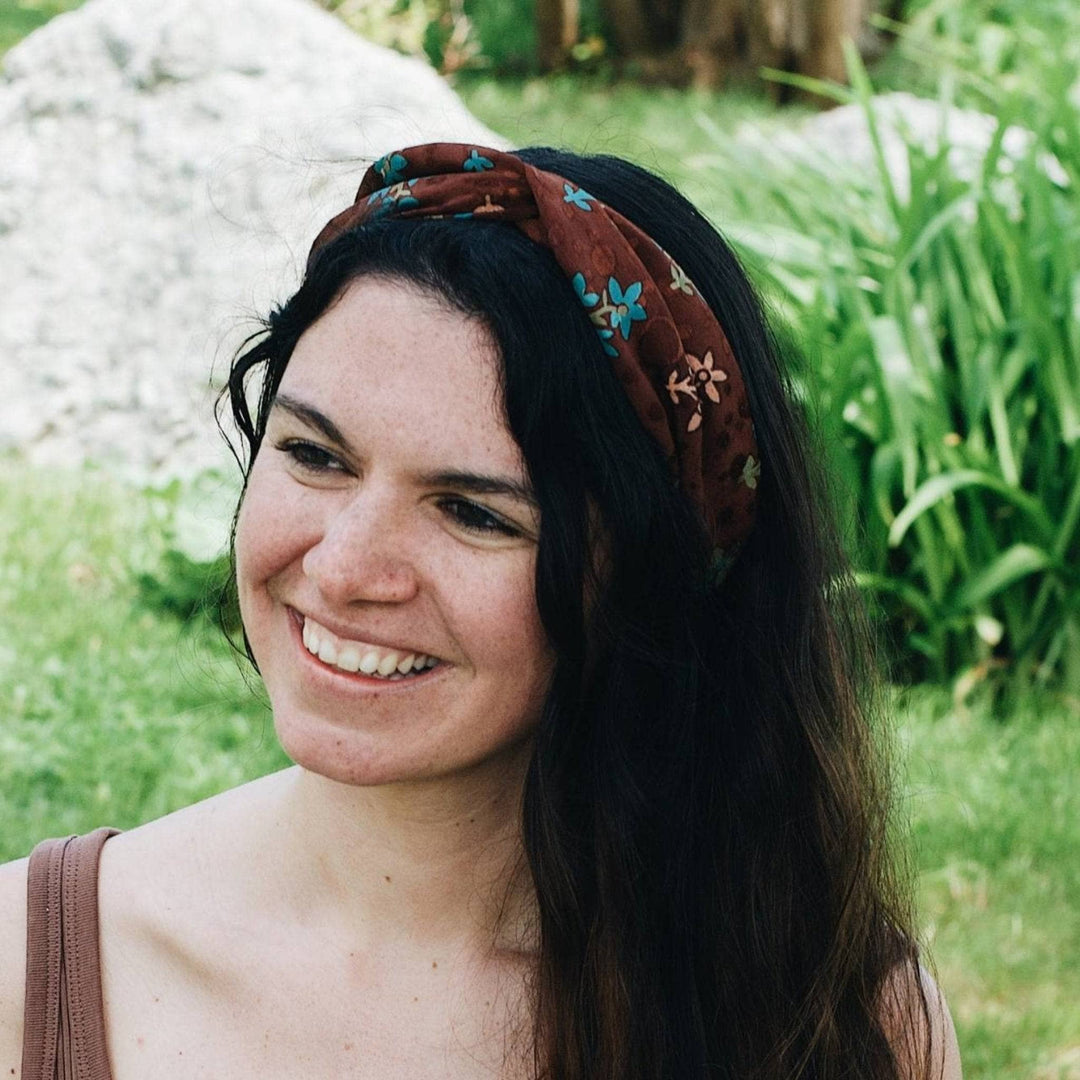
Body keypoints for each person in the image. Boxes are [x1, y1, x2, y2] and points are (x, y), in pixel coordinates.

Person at [0, 143, 962, 1079]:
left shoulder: (828, 1016)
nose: (342, 570)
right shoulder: (28, 971)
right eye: (315, 455)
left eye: (471, 511)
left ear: (647, 573)